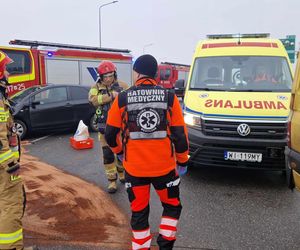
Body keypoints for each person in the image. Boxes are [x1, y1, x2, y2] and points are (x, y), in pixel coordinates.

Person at [105, 54, 189, 249]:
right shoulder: (169, 97)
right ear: (155, 74)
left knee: (139, 212)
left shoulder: (123, 97)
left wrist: (119, 151)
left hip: (134, 170)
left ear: (137, 73)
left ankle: (141, 247)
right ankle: (165, 245)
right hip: (165, 169)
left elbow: (110, 133)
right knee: (172, 206)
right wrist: (182, 160)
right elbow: (179, 133)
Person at [0, 51, 37, 250]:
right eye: (4, 69)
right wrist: (11, 164)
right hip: (4, 169)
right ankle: (12, 247)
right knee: (11, 205)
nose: (7, 73)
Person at [88, 61, 128, 193]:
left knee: (121, 152)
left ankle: (122, 174)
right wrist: (111, 96)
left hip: (121, 128)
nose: (108, 79)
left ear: (114, 74)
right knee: (108, 155)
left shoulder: (123, 86)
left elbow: (130, 101)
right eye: (105, 76)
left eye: (110, 75)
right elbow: (93, 100)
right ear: (100, 77)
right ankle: (112, 181)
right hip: (104, 128)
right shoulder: (95, 87)